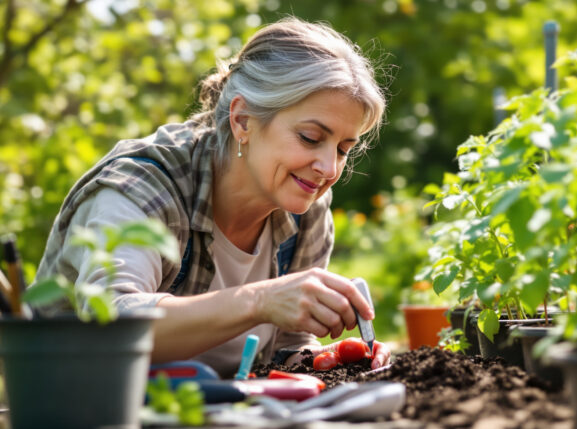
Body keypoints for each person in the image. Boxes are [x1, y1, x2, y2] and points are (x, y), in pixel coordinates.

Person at [34, 17, 391, 377]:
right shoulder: (142, 187)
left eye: (344, 149)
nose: (329, 168)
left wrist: (331, 359)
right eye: (311, 138)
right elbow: (110, 324)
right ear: (243, 121)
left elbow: (285, 348)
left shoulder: (304, 209)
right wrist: (260, 300)